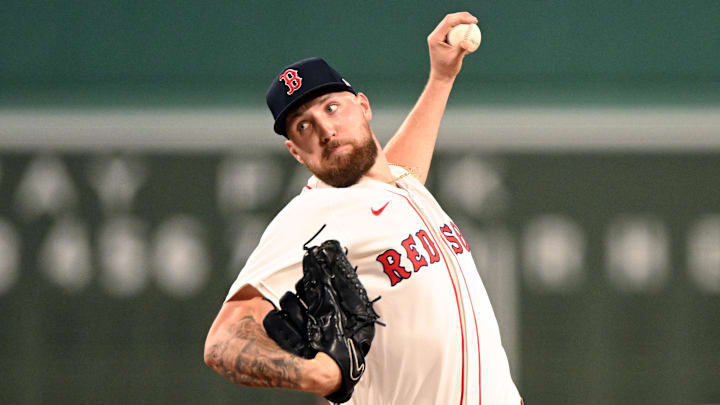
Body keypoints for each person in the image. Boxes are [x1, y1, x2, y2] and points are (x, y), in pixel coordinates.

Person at [204, 11, 522, 405]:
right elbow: (223, 339)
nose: (324, 129)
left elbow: (395, 172)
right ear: (295, 152)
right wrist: (313, 375)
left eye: (331, 108)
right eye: (303, 126)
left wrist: (441, 78)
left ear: (363, 106)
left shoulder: (401, 187)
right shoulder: (312, 215)